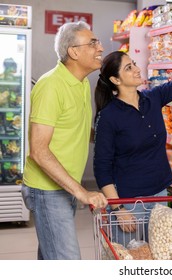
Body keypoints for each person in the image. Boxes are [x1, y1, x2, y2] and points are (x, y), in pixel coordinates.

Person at [93, 23, 172, 246]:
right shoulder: (109, 117)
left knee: (160, 256)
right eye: (127, 68)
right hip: (130, 203)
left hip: (161, 195)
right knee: (131, 259)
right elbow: (102, 168)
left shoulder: (152, 99)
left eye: (133, 63)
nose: (136, 69)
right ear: (115, 80)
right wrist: (118, 209)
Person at [22, 21, 108, 260]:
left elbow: (74, 127)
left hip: (65, 184)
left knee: (51, 255)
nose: (100, 47)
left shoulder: (80, 83)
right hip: (47, 190)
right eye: (93, 43)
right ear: (74, 52)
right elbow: (38, 150)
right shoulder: (51, 85)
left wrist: (109, 139)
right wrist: (82, 192)